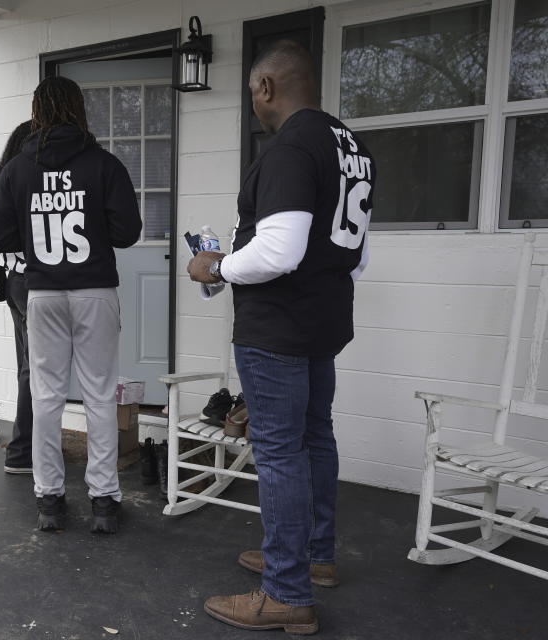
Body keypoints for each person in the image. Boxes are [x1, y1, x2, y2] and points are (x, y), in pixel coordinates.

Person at [187, 40, 373, 634]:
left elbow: (279, 250)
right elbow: (358, 253)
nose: (252, 102)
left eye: (250, 91)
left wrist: (215, 266)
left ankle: (286, 589)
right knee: (314, 436)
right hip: (325, 319)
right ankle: (314, 557)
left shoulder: (291, 145)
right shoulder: (351, 147)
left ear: (266, 86)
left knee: (279, 452)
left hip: (278, 327)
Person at [0, 77, 141, 534]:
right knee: (99, 394)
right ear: (78, 109)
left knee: (46, 397)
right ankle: (104, 500)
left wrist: (34, 237)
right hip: (94, 290)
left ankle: (49, 499)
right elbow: (127, 232)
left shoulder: (17, 169)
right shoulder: (104, 163)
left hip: (43, 292)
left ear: (37, 112)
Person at [0, 120, 34, 475]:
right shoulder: (25, 181)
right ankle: (22, 451)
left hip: (15, 280)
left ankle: (30, 443)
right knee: (35, 371)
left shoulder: (5, 179)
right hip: (31, 282)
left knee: (27, 368)